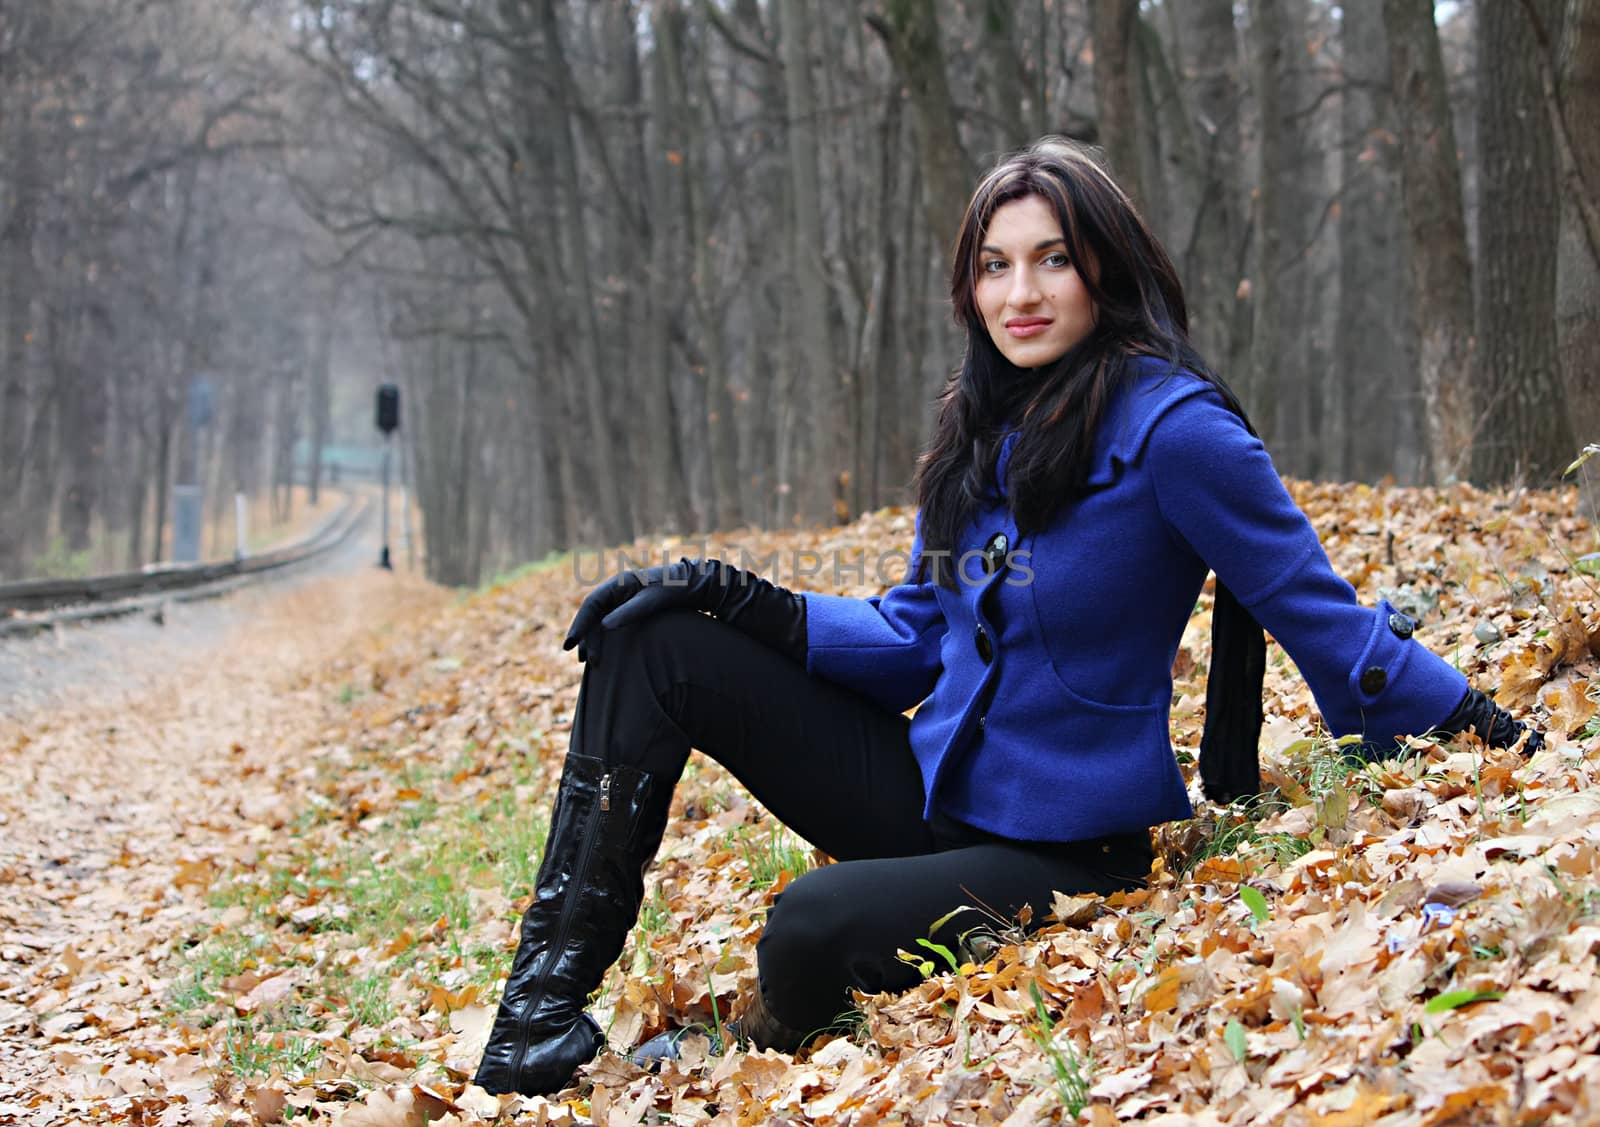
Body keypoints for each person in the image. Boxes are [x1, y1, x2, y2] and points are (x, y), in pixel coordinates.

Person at [472, 137, 1539, 1097]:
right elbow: (909, 644)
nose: (1019, 291)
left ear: (1104, 270)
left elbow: (1322, 619)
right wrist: (734, 596)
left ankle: (768, 1039)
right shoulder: (978, 430)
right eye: (995, 264)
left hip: (1070, 850)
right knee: (651, 639)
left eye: (1052, 259)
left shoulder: (1176, 428)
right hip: (938, 795)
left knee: (804, 925)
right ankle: (537, 1020)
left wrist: (1504, 742)